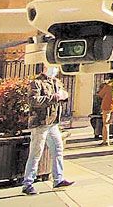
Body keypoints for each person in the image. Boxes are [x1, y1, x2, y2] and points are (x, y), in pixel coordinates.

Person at [21, 67, 75, 195]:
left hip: (53, 122)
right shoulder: (36, 83)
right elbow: (33, 100)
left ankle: (58, 179)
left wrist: (64, 95)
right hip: (41, 123)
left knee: (58, 149)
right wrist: (54, 97)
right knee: (36, 152)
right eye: (53, 67)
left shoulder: (55, 82)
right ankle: (27, 183)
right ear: (45, 68)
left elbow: (62, 95)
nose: (55, 69)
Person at [97, 78, 113, 146]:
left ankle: (105, 141)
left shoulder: (107, 86)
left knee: (106, 124)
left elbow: (100, 94)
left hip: (107, 106)